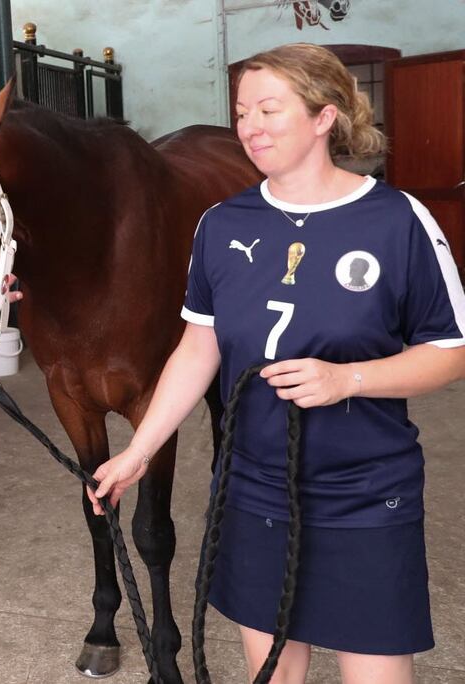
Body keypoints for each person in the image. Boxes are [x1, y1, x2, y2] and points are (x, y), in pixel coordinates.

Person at [87, 43, 465, 684]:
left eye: (269, 109)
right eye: (241, 113)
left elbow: (450, 352)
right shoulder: (220, 224)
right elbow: (198, 347)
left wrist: (347, 379)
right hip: (254, 487)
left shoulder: (396, 221)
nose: (250, 127)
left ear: (326, 117)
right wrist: (139, 450)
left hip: (365, 493)